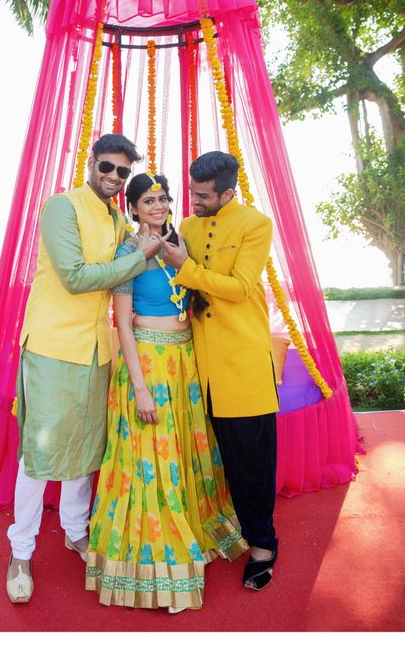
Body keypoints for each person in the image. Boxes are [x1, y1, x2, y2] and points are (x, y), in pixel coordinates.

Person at [6, 134, 164, 604]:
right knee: (40, 455)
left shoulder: (118, 218)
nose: (114, 178)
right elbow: (74, 277)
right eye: (107, 167)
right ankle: (20, 551)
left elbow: (134, 264)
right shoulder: (62, 206)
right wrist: (141, 257)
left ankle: (76, 531)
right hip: (54, 346)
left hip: (98, 349)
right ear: (91, 162)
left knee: (84, 451)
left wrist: (152, 245)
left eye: (122, 172)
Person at [85, 172, 246, 611]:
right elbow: (122, 322)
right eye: (149, 200)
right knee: (152, 459)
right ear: (133, 207)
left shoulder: (179, 246)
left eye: (164, 198)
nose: (158, 206)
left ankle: (197, 529)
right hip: (150, 367)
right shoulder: (127, 252)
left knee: (182, 453)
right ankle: (156, 561)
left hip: (184, 364)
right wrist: (139, 388)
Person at [160, 151, 281, 591]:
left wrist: (186, 268)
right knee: (219, 462)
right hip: (196, 369)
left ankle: (264, 544)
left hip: (241, 365)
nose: (194, 200)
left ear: (228, 192)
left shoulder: (255, 224)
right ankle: (226, 528)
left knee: (252, 463)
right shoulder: (188, 226)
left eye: (204, 195)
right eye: (191, 191)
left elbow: (241, 287)